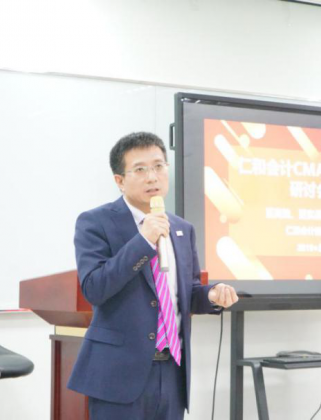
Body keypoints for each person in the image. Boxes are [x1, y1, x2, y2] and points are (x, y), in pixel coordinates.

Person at [67, 131, 239, 420]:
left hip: (172, 372)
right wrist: (143, 241)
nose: (152, 177)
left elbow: (186, 292)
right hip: (118, 375)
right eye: (140, 169)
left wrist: (211, 295)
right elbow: (95, 288)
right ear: (119, 180)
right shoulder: (95, 222)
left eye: (159, 166)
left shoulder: (182, 228)